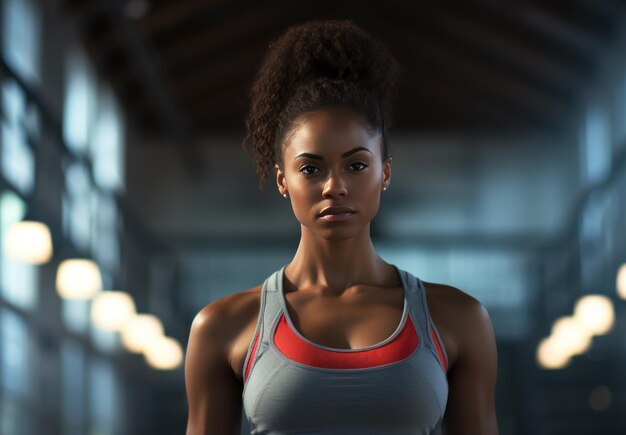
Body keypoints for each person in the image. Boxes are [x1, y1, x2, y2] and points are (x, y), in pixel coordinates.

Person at [185, 19, 498, 435]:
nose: (335, 186)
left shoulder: (458, 319)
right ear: (282, 180)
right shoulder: (223, 326)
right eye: (311, 168)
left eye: (356, 165)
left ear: (384, 173)